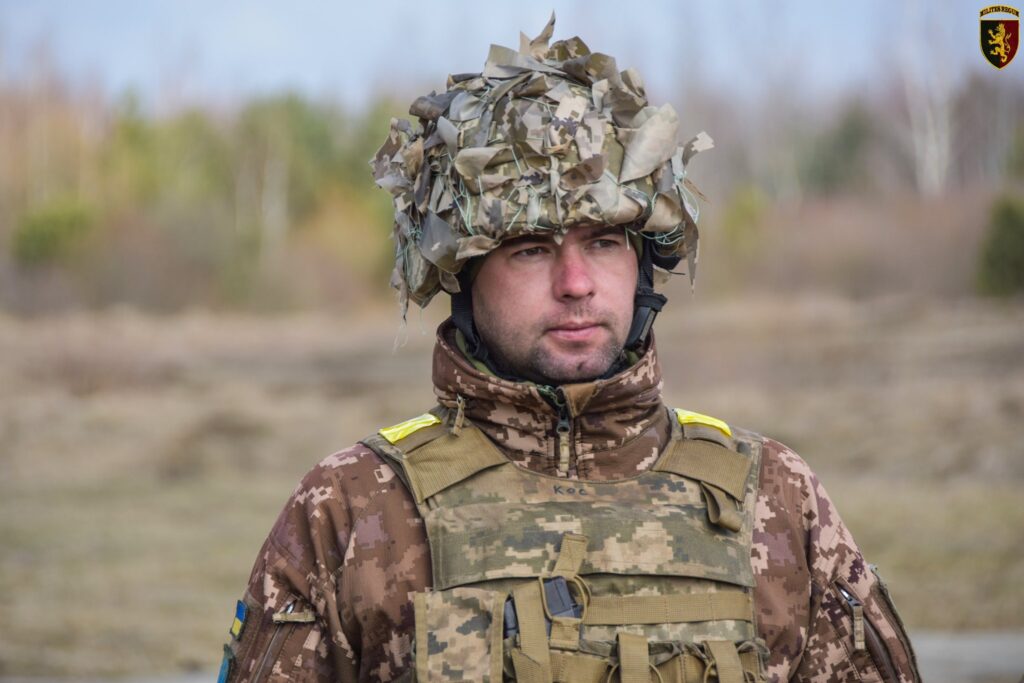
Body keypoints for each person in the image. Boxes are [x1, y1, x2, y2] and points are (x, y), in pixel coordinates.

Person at [218, 16, 920, 683]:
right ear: (463, 273)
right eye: (531, 249)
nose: (576, 283)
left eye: (605, 242)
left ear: (642, 264)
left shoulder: (776, 495)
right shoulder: (351, 506)